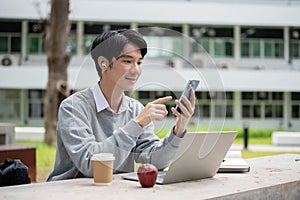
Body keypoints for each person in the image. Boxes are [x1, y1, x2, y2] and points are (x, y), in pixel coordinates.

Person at [47, 29, 195, 181]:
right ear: (103, 63)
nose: (136, 70)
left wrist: (179, 129)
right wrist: (137, 123)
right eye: (127, 61)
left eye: (139, 62)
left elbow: (153, 161)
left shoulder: (135, 109)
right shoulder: (73, 107)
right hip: (70, 192)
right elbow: (91, 165)